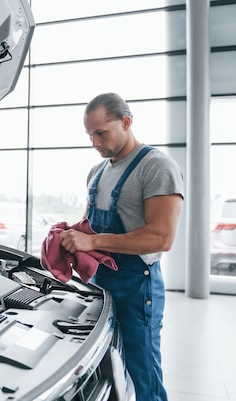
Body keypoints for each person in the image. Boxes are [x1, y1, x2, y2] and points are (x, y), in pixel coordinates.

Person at [59, 92, 184, 401]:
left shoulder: (156, 167)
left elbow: (161, 237)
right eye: (90, 134)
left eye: (101, 132)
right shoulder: (96, 172)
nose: (94, 142)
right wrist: (70, 237)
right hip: (100, 284)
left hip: (137, 286)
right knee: (105, 369)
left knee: (144, 372)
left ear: (126, 122)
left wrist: (93, 240)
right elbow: (92, 226)